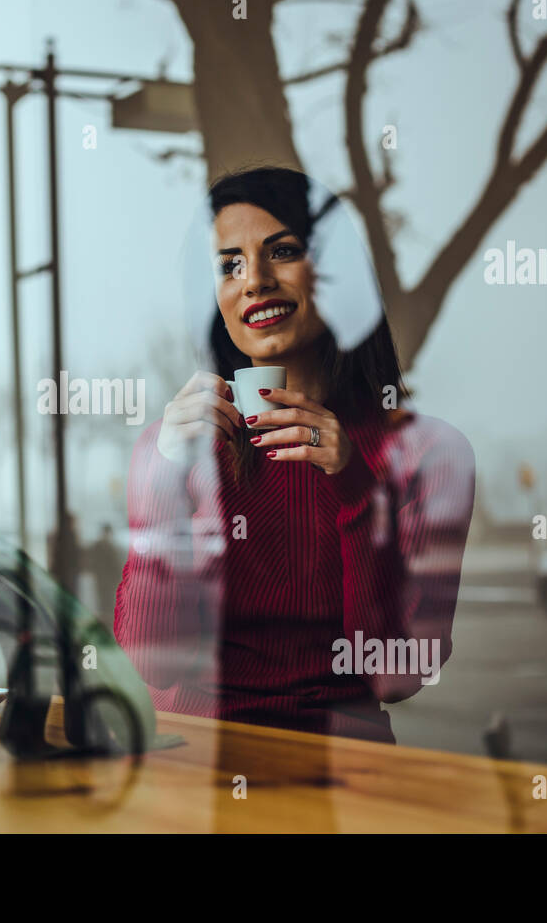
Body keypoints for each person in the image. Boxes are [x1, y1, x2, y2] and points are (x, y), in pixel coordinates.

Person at [113, 167, 475, 744]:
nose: (253, 281)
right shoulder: (170, 446)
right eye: (228, 264)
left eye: (280, 251)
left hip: (340, 771)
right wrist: (165, 478)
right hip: (193, 764)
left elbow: (396, 677)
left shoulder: (430, 452)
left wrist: (356, 487)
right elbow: (151, 662)